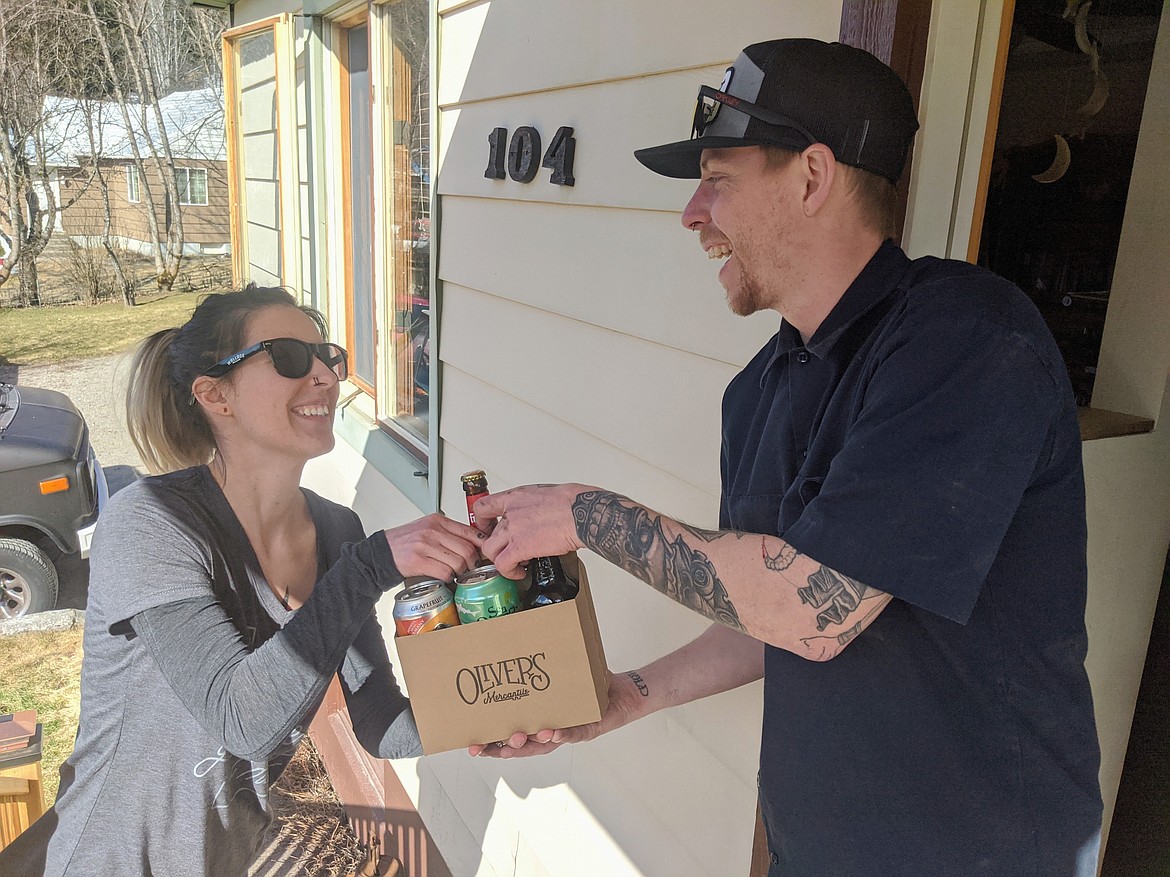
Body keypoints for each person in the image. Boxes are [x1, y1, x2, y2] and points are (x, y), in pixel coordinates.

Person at [468, 39, 1104, 876]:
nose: (692, 213)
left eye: (718, 179)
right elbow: (761, 616)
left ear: (811, 177)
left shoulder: (967, 341)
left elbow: (814, 608)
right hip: (817, 845)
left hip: (980, 849)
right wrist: (628, 696)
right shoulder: (759, 388)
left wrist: (583, 513)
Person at [0, 286, 484, 877]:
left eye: (328, 357)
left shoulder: (336, 531)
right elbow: (240, 720)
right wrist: (372, 566)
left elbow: (380, 720)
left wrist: (505, 707)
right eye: (287, 357)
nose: (325, 378)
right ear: (215, 396)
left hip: (226, 858)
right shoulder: (153, 522)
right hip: (109, 857)